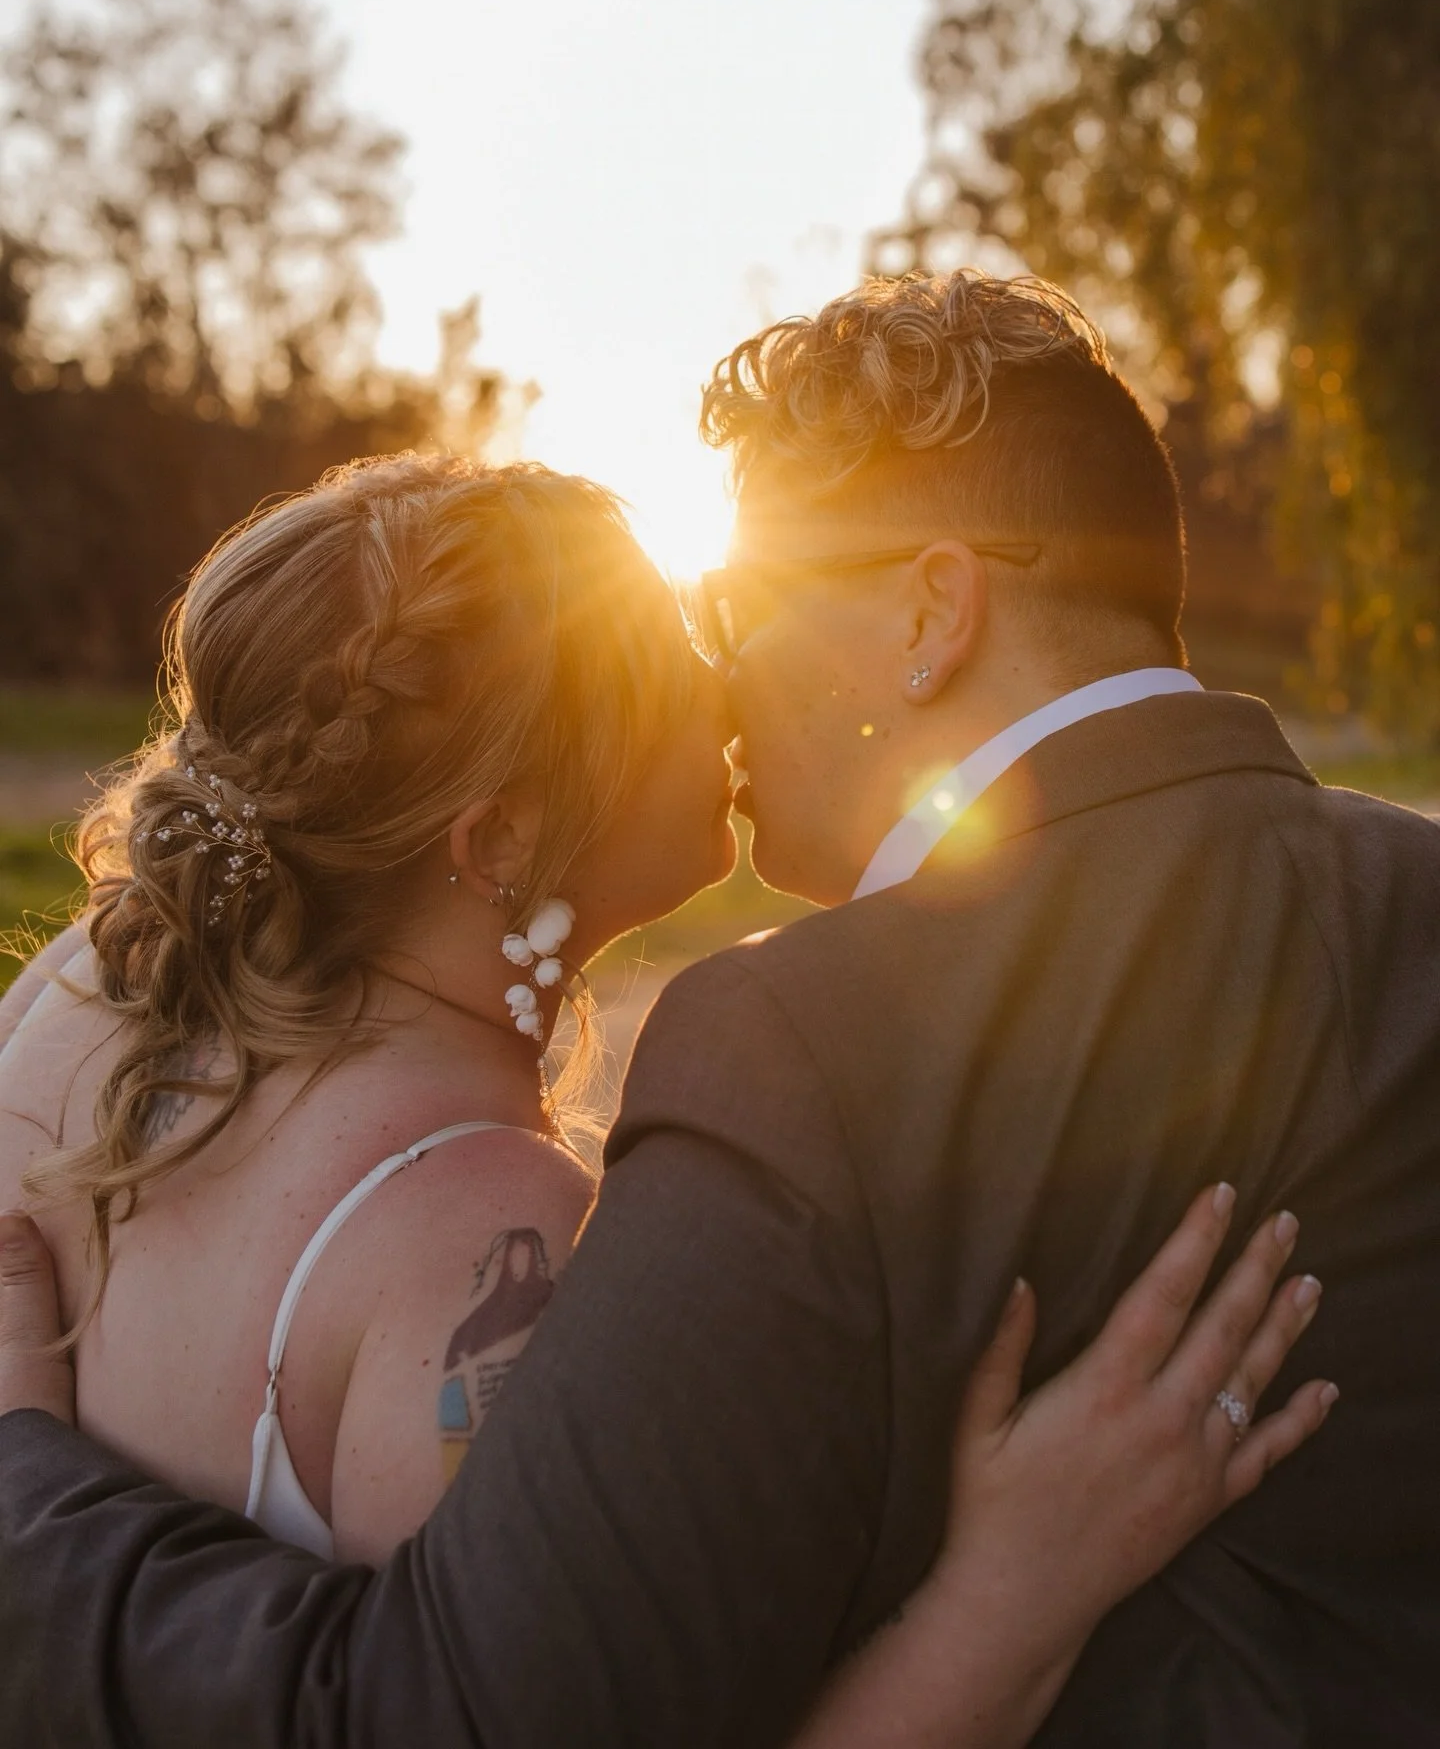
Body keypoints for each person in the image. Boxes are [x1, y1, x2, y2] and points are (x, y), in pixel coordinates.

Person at [2, 265, 1438, 1744]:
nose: (725, 682)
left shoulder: (799, 1051)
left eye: (742, 609)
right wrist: (1003, 1599)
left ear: (933, 610)